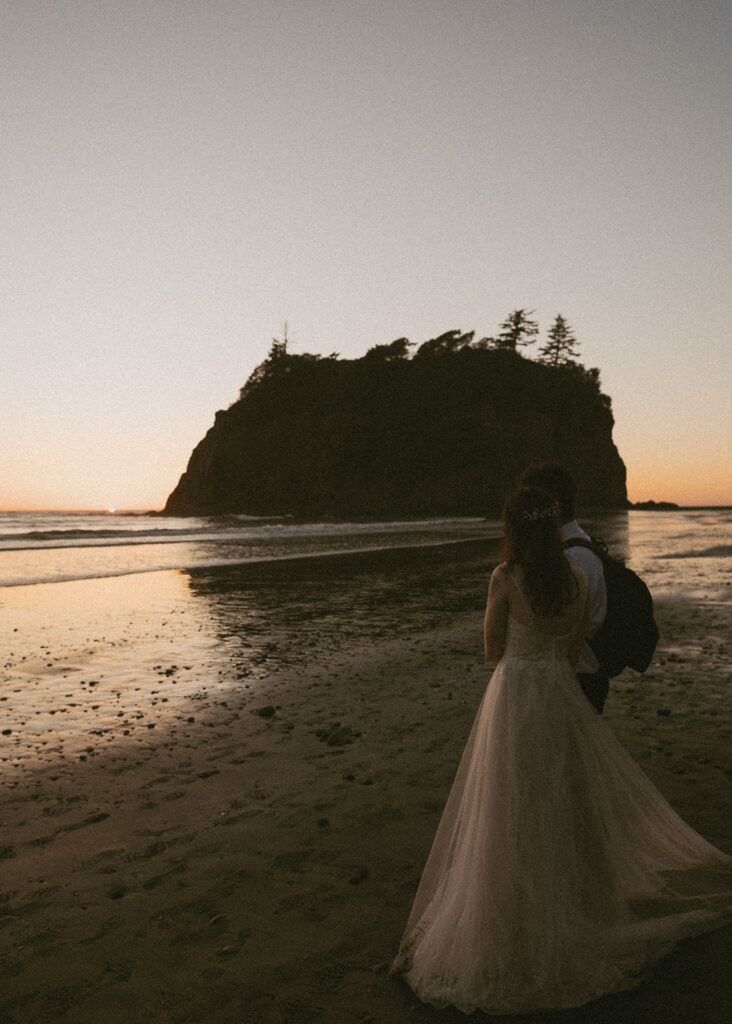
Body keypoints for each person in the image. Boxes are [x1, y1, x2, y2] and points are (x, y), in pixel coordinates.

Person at [392, 486, 730, 1015]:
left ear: (513, 529)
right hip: (561, 696)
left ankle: (518, 921)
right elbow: (574, 650)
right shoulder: (576, 578)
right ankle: (571, 909)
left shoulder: (505, 577)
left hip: (516, 698)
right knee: (560, 804)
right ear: (553, 529)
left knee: (510, 808)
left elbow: (491, 650)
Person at [519, 461, 610, 713]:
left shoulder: (574, 558)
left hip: (574, 678)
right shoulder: (582, 549)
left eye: (531, 502)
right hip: (576, 674)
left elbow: (571, 627)